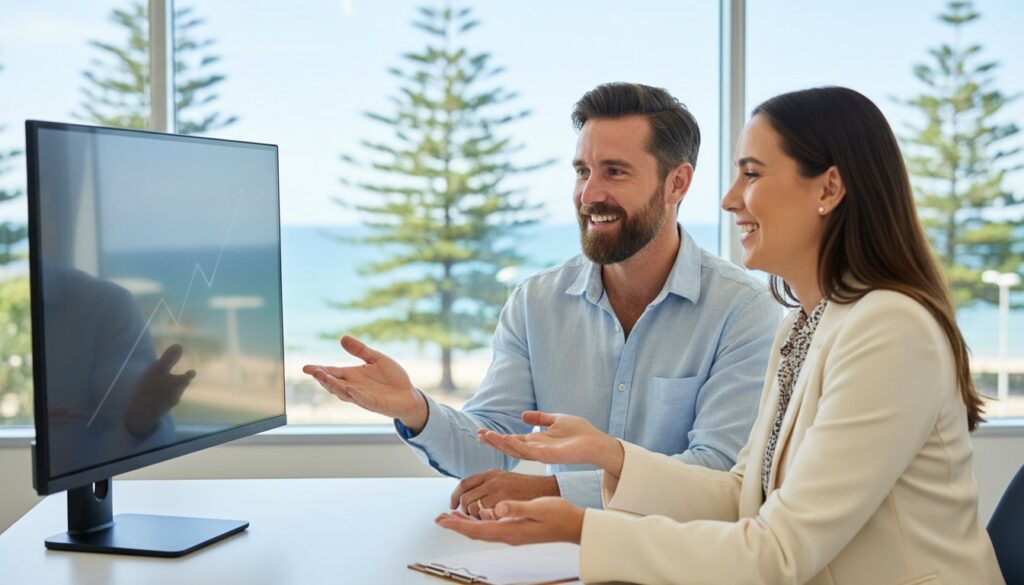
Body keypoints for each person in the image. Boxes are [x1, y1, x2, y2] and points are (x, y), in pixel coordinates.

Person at [435, 86, 1005, 585]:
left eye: (752, 174)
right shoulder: (804, 324)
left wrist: (585, 529)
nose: (730, 199)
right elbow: (742, 496)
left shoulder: (889, 329)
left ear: (828, 188)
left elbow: (777, 551)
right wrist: (608, 455)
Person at [304, 82, 780, 512]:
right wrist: (414, 408)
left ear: (677, 183)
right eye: (581, 171)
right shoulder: (535, 305)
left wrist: (555, 492)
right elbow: (489, 442)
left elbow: (716, 472)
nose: (589, 193)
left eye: (614, 172)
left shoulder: (742, 312)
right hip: (557, 558)